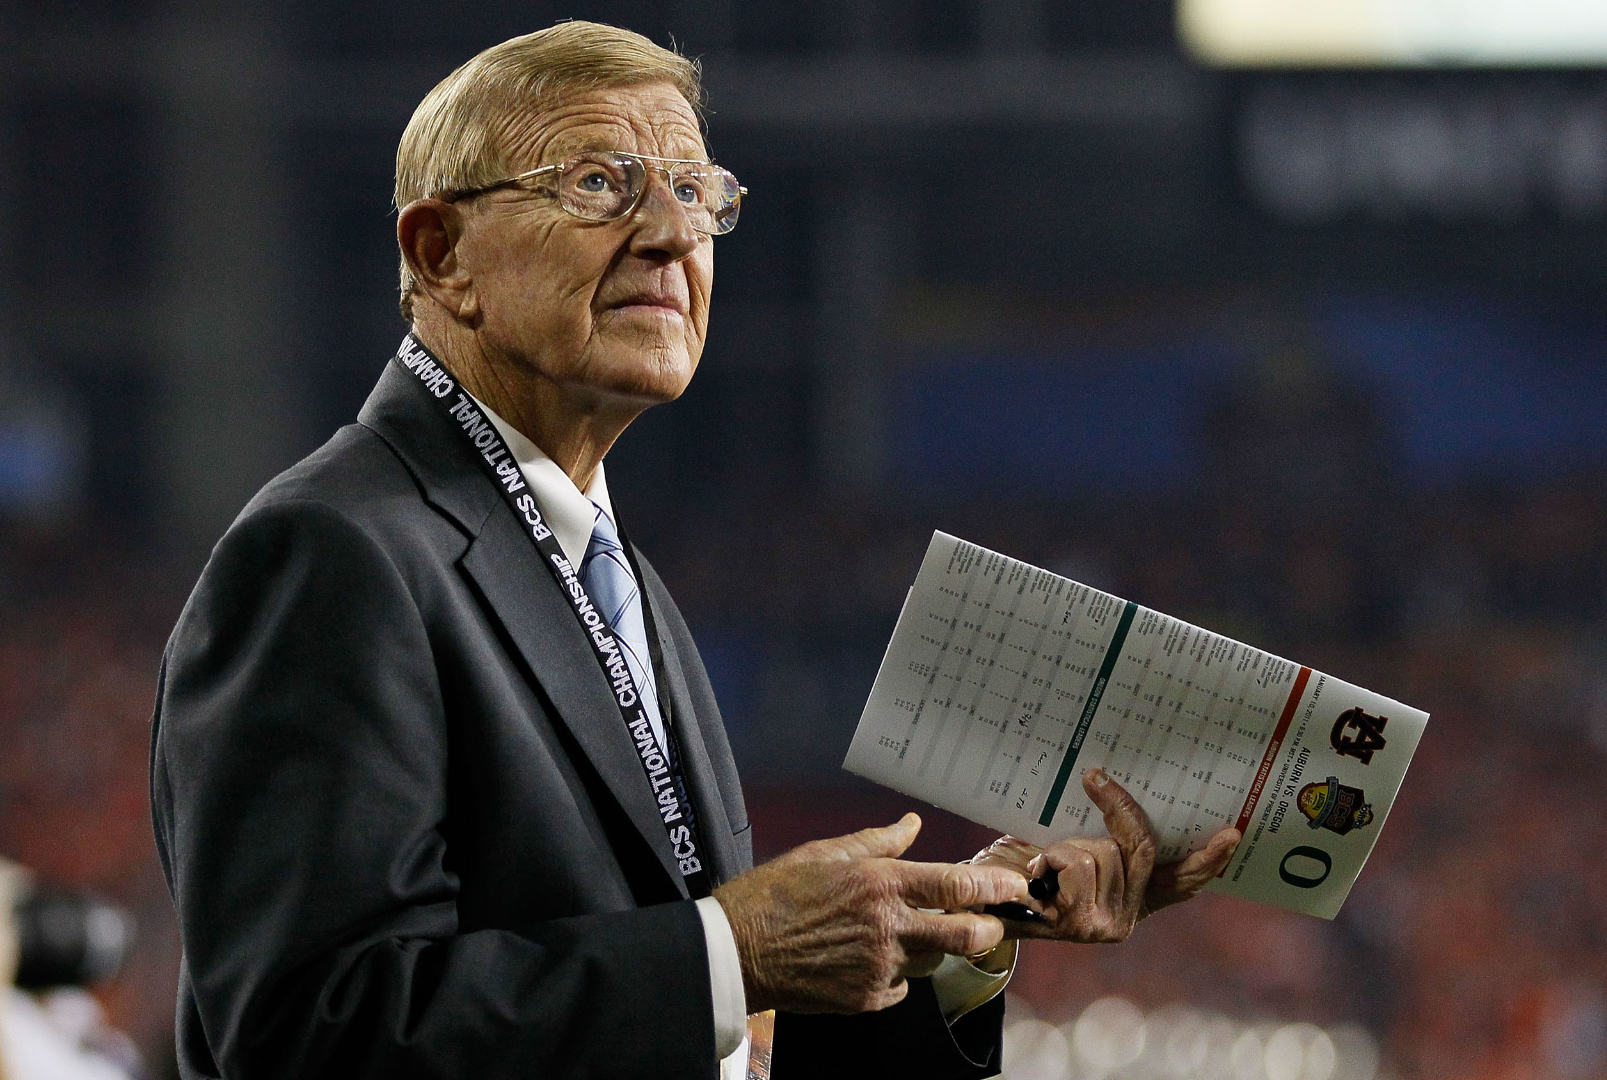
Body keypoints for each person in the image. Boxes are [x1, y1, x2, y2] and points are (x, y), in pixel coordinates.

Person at [149, 22, 1240, 1080]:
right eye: (599, 185)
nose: (674, 234)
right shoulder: (335, 555)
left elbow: (714, 1043)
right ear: (442, 256)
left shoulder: (619, 584)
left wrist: (962, 933)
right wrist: (733, 950)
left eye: (696, 192)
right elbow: (306, 1034)